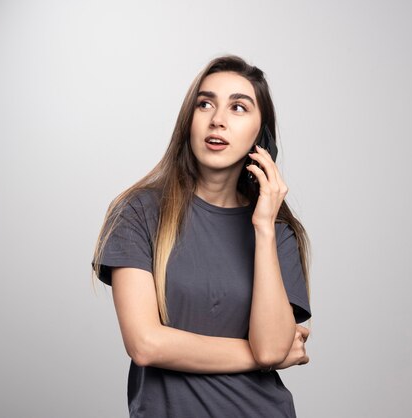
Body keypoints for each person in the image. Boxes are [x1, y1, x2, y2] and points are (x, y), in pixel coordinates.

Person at [91, 55, 312, 418]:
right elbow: (145, 344)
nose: (218, 120)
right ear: (188, 121)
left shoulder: (277, 232)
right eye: (205, 103)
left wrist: (263, 227)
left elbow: (272, 349)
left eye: (238, 107)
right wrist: (256, 355)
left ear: (261, 134)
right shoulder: (138, 212)